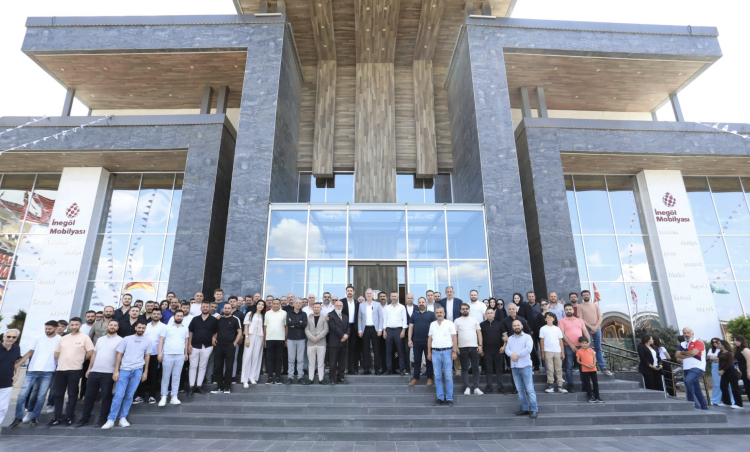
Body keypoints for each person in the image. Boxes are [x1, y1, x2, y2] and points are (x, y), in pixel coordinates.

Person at [9, 320, 60, 428]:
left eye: (49, 329)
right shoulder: (38, 338)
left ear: (56, 328)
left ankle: (34, 418)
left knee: (41, 396)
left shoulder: (60, 340)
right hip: (32, 371)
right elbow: (30, 352)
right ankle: (18, 418)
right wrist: (18, 363)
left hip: (48, 372)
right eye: (46, 328)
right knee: (22, 395)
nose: (47, 330)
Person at [101, 320, 150, 429]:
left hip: (138, 370)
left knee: (129, 395)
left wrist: (145, 371)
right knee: (118, 395)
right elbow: (119, 355)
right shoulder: (126, 339)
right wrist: (116, 370)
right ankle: (111, 419)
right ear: (135, 328)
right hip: (124, 370)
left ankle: (123, 418)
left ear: (145, 329)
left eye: (143, 328)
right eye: (139, 327)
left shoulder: (147, 340)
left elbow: (147, 356)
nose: (141, 329)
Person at [47, 317, 94, 427]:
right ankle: (57, 418)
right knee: (58, 394)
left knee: (72, 394)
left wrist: (81, 359)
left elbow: (90, 352)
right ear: (69, 326)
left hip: (75, 369)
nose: (74, 327)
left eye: (76, 325)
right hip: (61, 369)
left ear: (80, 326)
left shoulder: (85, 337)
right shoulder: (63, 338)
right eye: (72, 325)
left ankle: (69, 417)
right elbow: (57, 354)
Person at [76, 320, 122, 428]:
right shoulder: (100, 339)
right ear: (107, 326)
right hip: (94, 371)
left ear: (118, 327)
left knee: (106, 397)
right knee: (89, 396)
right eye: (111, 325)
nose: (112, 327)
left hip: (108, 373)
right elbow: (94, 354)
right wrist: (89, 369)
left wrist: (116, 371)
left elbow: (120, 357)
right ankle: (85, 418)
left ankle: (102, 419)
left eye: (115, 325)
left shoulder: (121, 340)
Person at [506, 319, 538, 418]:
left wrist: (517, 355)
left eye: (518, 325)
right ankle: (525, 409)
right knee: (520, 390)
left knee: (530, 389)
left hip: (525, 366)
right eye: (515, 325)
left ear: (522, 326)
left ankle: (534, 409)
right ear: (512, 327)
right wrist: (512, 354)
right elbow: (507, 349)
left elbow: (528, 349)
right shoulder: (510, 338)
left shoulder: (527, 337)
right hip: (514, 367)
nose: (517, 327)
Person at [577, 290, 613, 376]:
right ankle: (590, 366)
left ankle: (603, 367)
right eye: (584, 295)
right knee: (588, 348)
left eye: (587, 295)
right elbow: (580, 319)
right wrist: (591, 327)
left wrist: (596, 327)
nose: (586, 296)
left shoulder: (596, 305)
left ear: (590, 296)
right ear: (582, 297)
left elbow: (600, 317)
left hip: (597, 329)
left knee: (598, 348)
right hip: (586, 330)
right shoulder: (580, 306)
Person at [157, 310, 189, 406]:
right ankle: (164, 396)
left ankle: (174, 396)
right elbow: (161, 340)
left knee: (176, 377)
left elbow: (186, 341)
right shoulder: (166, 327)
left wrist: (185, 353)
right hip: (167, 354)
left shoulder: (185, 328)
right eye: (177, 316)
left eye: (181, 316)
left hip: (180, 355)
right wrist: (160, 353)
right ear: (174, 316)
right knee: (165, 376)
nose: (179, 317)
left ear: (183, 317)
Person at [427, 306, 457, 407]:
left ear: (444, 313)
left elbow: (454, 337)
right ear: (435, 314)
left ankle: (449, 398)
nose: (439, 314)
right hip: (435, 352)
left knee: (448, 376)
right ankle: (440, 397)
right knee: (437, 377)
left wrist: (454, 351)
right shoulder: (432, 324)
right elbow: (430, 339)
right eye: (437, 312)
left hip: (447, 352)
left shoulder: (450, 323)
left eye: (440, 312)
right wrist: (429, 352)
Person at [187, 301, 217, 396]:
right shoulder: (195, 319)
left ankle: (199, 386)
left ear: (209, 308)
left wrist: (214, 338)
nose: (205, 308)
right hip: (194, 345)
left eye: (207, 307)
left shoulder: (213, 320)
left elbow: (216, 331)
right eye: (203, 307)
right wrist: (189, 344)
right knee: (193, 366)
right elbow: (190, 332)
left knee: (203, 366)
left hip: (207, 346)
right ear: (201, 308)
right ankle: (191, 386)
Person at [211, 304, 243, 394]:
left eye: (229, 308)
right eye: (225, 308)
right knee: (218, 367)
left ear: (231, 309)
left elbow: (240, 332)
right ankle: (219, 387)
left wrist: (235, 343)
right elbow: (215, 330)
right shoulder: (219, 319)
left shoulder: (235, 319)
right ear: (223, 309)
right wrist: (213, 338)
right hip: (219, 346)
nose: (227, 309)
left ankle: (227, 387)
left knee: (229, 367)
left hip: (230, 346)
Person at [558, 304, 589, 394]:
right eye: (566, 309)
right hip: (568, 346)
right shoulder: (562, 321)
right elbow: (562, 334)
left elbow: (585, 331)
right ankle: (570, 385)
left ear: (573, 310)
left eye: (570, 309)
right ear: (564, 311)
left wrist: (588, 343)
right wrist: (571, 345)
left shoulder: (579, 320)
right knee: (569, 366)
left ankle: (585, 385)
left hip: (581, 347)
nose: (568, 311)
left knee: (582, 366)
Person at [676, 327, 709, 410]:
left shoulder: (699, 342)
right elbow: (677, 355)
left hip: (697, 367)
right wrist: (688, 353)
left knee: (688, 380)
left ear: (692, 334)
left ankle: (691, 401)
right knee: (697, 391)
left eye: (688, 333)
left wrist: (683, 353)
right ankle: (704, 408)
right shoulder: (683, 344)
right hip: (686, 368)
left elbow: (693, 353)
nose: (686, 334)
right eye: (684, 333)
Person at [455, 303, 483, 395]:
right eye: (463, 309)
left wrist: (480, 345)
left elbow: (479, 333)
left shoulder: (474, 319)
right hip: (462, 347)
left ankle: (476, 387)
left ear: (469, 310)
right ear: (460, 310)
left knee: (475, 367)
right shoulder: (457, 321)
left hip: (474, 347)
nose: (465, 310)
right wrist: (456, 347)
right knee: (464, 368)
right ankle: (466, 387)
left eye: (466, 308)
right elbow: (455, 335)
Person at [408, 297, 436, 386]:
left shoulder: (431, 314)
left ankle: (430, 378)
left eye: (423, 302)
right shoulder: (414, 315)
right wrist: (409, 339)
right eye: (419, 302)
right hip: (416, 341)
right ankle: (416, 378)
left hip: (428, 341)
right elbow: (410, 328)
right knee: (417, 360)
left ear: (426, 303)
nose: (421, 304)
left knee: (429, 360)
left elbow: (435, 328)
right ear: (418, 304)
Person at [140, 307, 165, 403]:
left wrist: (161, 354)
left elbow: (164, 342)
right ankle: (140, 395)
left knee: (154, 376)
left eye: (158, 314)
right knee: (142, 374)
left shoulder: (164, 327)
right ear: (151, 315)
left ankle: (152, 396)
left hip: (156, 354)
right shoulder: (145, 326)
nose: (156, 315)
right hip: (144, 354)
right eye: (154, 314)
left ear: (161, 316)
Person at [479, 308, 506, 394]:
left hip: (499, 350)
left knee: (499, 369)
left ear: (494, 314)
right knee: (488, 369)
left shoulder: (500, 324)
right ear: (486, 315)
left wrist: (504, 346)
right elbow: (479, 337)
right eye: (488, 313)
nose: (490, 314)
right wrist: (481, 348)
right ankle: (489, 387)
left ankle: (500, 387)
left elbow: (505, 336)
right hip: (487, 351)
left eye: (491, 313)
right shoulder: (482, 325)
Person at [358, 288, 384, 375]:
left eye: (370, 293)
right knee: (365, 350)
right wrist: (360, 330)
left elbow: (381, 317)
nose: (369, 295)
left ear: (373, 295)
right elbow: (359, 318)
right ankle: (366, 369)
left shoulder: (377, 304)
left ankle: (377, 369)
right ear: (365, 295)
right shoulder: (361, 305)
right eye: (367, 293)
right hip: (365, 329)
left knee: (376, 350)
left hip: (375, 329)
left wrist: (380, 329)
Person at [539, 312, 566, 394]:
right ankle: (550, 385)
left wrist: (562, 352)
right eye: (547, 317)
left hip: (557, 351)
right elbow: (541, 341)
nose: (549, 318)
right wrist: (542, 353)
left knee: (558, 369)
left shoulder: (557, 329)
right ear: (545, 319)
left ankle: (560, 386)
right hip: (548, 351)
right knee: (550, 369)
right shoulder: (543, 329)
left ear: (553, 319)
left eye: (551, 317)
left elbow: (561, 341)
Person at [242, 300, 266, 386]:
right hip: (250, 336)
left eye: (262, 305)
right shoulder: (250, 314)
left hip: (260, 337)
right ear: (256, 305)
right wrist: (247, 338)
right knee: (247, 356)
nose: (260, 306)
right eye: (259, 304)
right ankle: (245, 379)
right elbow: (246, 326)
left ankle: (252, 377)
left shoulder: (263, 316)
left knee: (256, 357)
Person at [383, 291, 407, 376]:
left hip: (398, 330)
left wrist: (403, 331)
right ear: (390, 297)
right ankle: (389, 369)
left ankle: (401, 369)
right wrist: (384, 330)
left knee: (400, 350)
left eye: (395, 296)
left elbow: (404, 320)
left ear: (398, 297)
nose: (394, 297)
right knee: (388, 351)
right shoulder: (387, 308)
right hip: (388, 330)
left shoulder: (402, 307)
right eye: (392, 296)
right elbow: (384, 319)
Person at [264, 299, 287, 385]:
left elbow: (286, 326)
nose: (276, 305)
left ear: (280, 304)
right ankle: (270, 377)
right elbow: (265, 327)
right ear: (272, 304)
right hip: (269, 339)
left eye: (277, 304)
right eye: (274, 303)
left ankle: (278, 377)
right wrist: (265, 339)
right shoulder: (267, 313)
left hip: (280, 339)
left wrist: (286, 339)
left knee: (279, 358)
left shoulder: (284, 313)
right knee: (270, 358)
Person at [0, 329, 21, 426]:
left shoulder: (16, 348)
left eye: (13, 337)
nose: (10, 339)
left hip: (7, 382)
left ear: (16, 338)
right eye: (8, 336)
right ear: (3, 337)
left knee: (3, 408)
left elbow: (17, 362)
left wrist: (16, 374)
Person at [305, 301, 329, 384]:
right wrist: (312, 338)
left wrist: (318, 337)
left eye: (318, 307)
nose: (316, 309)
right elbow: (306, 329)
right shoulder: (309, 318)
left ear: (321, 308)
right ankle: (310, 379)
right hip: (311, 343)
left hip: (321, 343)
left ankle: (321, 379)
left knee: (321, 362)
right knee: (311, 362)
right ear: (312, 308)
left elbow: (326, 329)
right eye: (315, 307)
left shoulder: (324, 318)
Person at [716, 339, 743, 409]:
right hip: (724, 371)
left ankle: (739, 404)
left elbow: (730, 364)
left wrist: (723, 370)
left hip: (731, 371)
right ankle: (727, 402)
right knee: (723, 386)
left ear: (723, 345)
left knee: (734, 387)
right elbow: (720, 362)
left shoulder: (730, 353)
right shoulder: (720, 353)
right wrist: (720, 370)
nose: (717, 344)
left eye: (718, 343)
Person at [286, 298, 308, 384]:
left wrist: (294, 324)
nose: (298, 304)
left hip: (301, 339)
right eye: (297, 303)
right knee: (291, 359)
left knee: (300, 359)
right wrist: (299, 322)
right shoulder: (289, 313)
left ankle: (300, 377)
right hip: (291, 339)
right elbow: (288, 323)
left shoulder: (304, 314)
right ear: (294, 303)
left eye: (300, 303)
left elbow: (304, 324)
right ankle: (290, 377)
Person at [328, 300, 350, 384]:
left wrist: (346, 335)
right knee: (333, 362)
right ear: (334, 306)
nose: (339, 307)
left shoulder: (345, 316)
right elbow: (333, 327)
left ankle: (341, 377)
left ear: (342, 307)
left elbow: (348, 327)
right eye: (337, 305)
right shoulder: (330, 315)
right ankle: (332, 378)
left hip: (343, 343)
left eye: (340, 306)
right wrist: (343, 335)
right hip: (334, 342)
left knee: (342, 361)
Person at [577, 337, 604, 403]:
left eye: (586, 343)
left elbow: (594, 358)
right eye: (583, 343)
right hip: (585, 370)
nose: (584, 344)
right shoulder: (579, 351)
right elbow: (578, 361)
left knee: (595, 383)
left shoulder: (591, 350)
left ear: (588, 343)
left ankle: (597, 396)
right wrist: (586, 365)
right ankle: (590, 396)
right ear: (579, 343)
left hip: (593, 369)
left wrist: (594, 364)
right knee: (587, 383)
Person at [341, 285, 360, 375]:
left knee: (352, 348)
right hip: (343, 328)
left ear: (353, 292)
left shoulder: (357, 303)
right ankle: (341, 368)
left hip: (353, 328)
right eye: (348, 291)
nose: (349, 292)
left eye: (351, 291)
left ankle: (351, 369)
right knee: (343, 348)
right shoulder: (341, 302)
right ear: (346, 292)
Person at [708, 337, 731, 406]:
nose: (714, 343)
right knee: (716, 384)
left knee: (728, 384)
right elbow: (711, 358)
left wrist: (718, 359)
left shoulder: (724, 350)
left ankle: (731, 400)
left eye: (716, 342)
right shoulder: (711, 350)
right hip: (715, 366)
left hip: (725, 365)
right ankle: (715, 400)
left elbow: (728, 358)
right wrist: (719, 359)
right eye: (713, 342)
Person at [733, 335, 750, 404]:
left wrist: (748, 372)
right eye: (734, 340)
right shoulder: (738, 350)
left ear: (741, 341)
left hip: (747, 370)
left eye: (736, 340)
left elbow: (748, 361)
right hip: (742, 371)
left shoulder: (745, 350)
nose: (735, 342)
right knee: (747, 388)